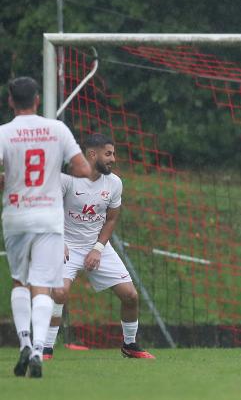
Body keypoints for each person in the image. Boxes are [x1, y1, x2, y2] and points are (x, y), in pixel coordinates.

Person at [0, 76, 91, 377]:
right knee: (43, 285)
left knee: (19, 281)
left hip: (16, 215)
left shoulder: (4, 132)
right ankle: (39, 349)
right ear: (38, 99)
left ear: (11, 101)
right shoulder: (57, 129)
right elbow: (81, 168)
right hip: (49, 217)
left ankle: (24, 343)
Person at [44, 133, 154, 360]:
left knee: (131, 295)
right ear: (92, 154)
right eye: (108, 154)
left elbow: (111, 219)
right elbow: (50, 211)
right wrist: (59, 242)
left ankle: (130, 345)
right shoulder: (67, 179)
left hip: (96, 246)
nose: (113, 159)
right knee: (60, 292)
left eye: (113, 154)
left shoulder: (114, 183)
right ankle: (46, 348)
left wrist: (98, 249)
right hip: (66, 245)